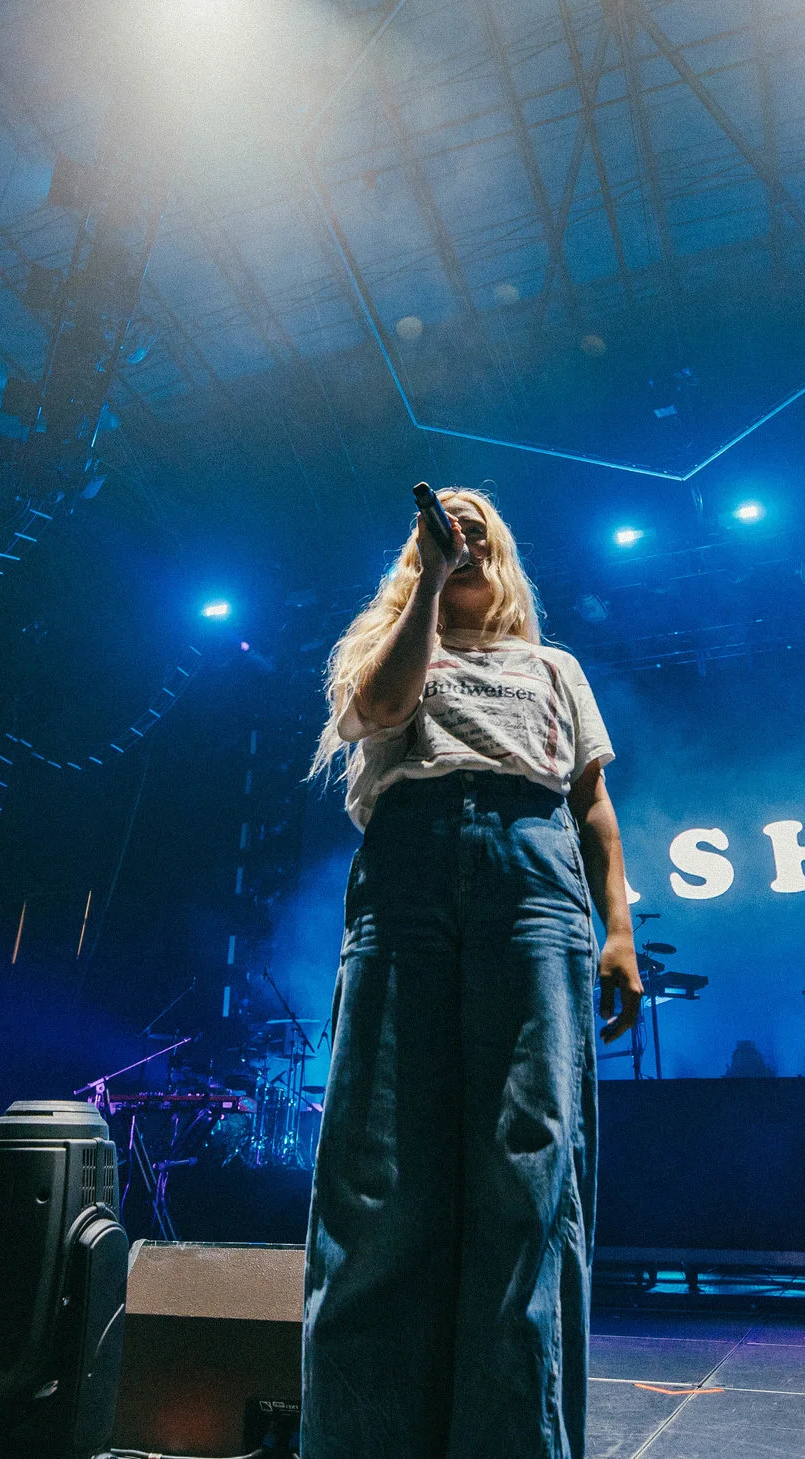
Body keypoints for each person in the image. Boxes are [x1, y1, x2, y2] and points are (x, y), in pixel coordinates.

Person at [301, 487, 642, 1459]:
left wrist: (618, 928)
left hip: (533, 877)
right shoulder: (396, 642)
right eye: (445, 522)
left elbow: (593, 805)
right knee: (376, 1164)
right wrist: (425, 583)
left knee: (527, 1162)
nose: (464, 526)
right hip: (407, 869)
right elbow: (377, 708)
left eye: (478, 519)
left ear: (508, 550)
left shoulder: (555, 666)